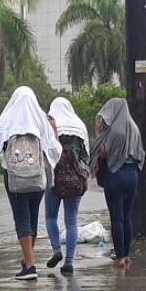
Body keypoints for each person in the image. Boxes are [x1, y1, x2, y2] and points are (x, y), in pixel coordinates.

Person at [0, 86, 61, 281]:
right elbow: (55, 148)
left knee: (21, 217)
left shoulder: (7, 118)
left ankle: (30, 265)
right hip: (37, 178)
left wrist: (3, 155)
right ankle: (27, 259)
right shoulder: (40, 119)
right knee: (32, 217)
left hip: (15, 178)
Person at [89, 98, 144, 269]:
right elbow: (141, 153)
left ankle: (119, 257)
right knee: (127, 216)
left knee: (117, 218)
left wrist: (98, 133)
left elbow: (102, 152)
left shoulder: (114, 131)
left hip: (116, 175)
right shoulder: (134, 128)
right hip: (132, 175)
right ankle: (126, 255)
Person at [44, 97, 90, 275]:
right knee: (71, 222)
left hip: (54, 179)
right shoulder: (79, 127)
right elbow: (86, 155)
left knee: (50, 217)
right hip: (75, 180)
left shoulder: (49, 125)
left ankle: (57, 250)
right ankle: (69, 261)